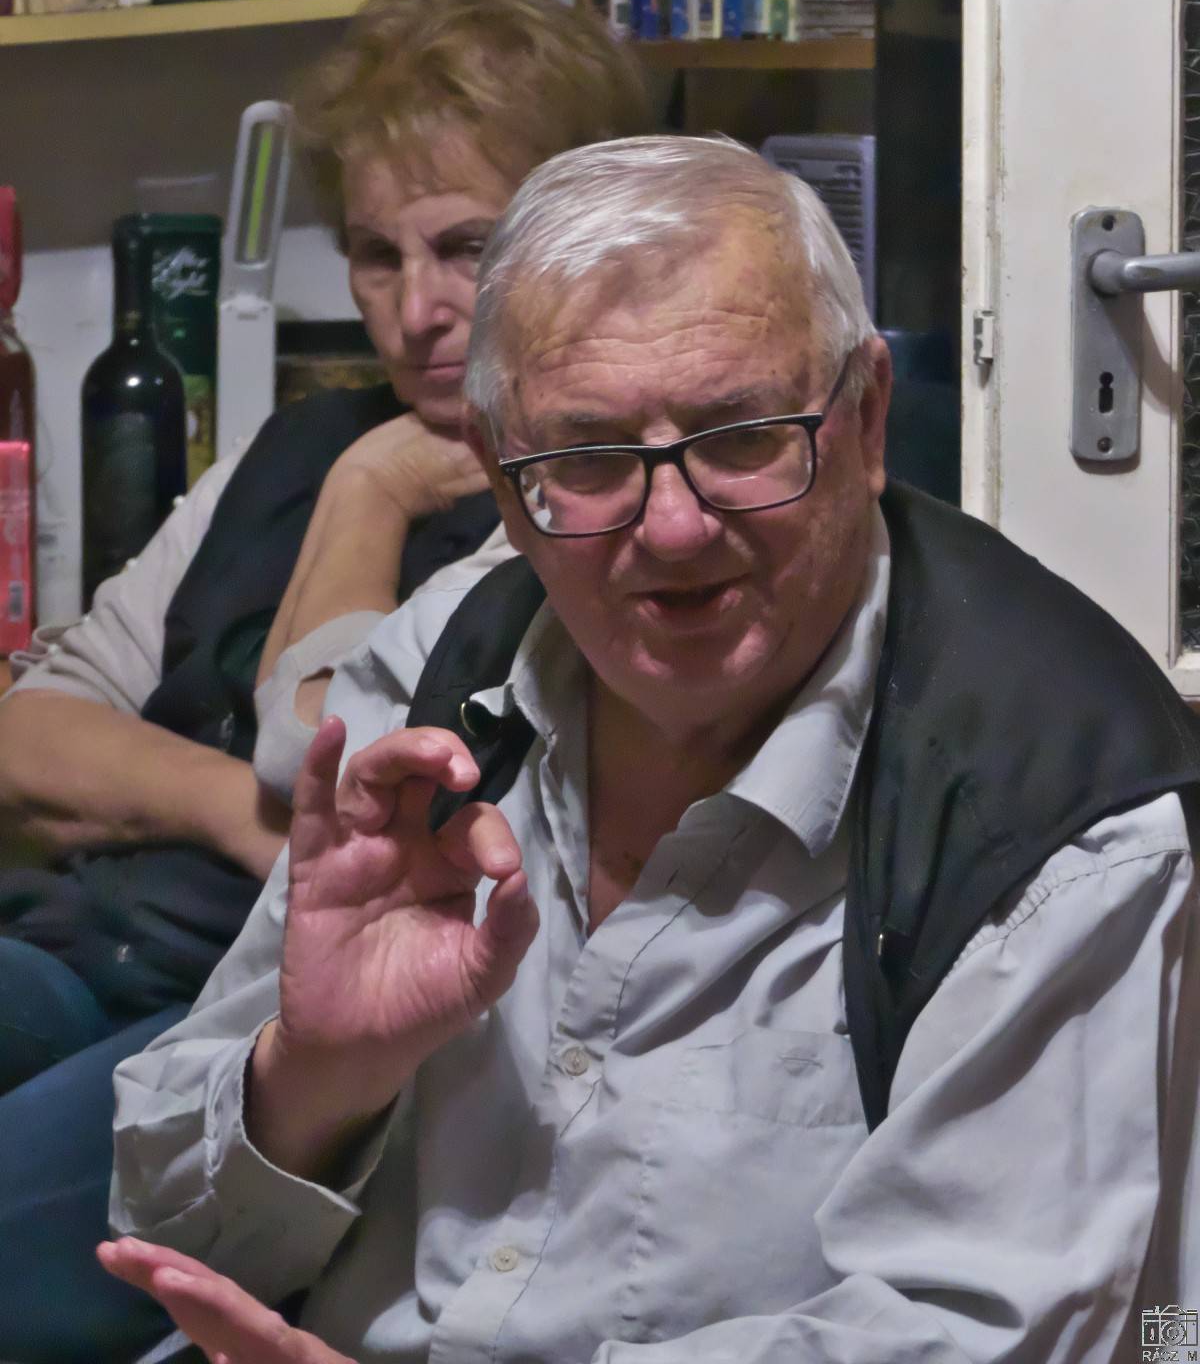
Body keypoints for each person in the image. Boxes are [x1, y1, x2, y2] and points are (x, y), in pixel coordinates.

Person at [105, 136, 1199, 1364]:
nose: (673, 527)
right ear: (503, 479)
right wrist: (320, 1074)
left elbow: (981, 1337)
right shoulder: (444, 671)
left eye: (743, 436)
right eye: (587, 457)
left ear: (866, 418)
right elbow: (165, 1228)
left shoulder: (1050, 807)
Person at [0, 0, 650, 1363]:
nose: (416, 310)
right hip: (81, 939)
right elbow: (29, 734)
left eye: (465, 248)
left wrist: (372, 495)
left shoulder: (590, 499)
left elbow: (319, 750)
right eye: (372, 254)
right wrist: (248, 826)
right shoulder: (291, 449)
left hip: (257, 1024)